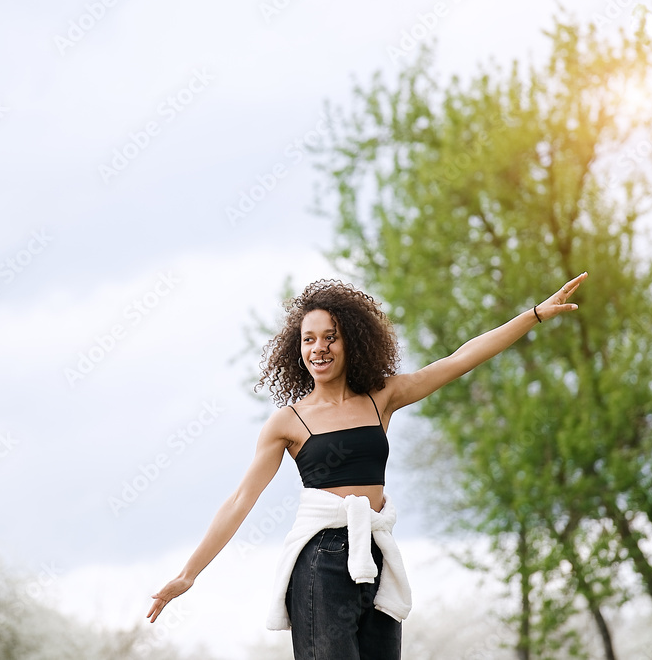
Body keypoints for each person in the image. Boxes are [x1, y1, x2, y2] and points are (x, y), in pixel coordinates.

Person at [146, 271, 588, 658]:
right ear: (296, 348)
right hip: (321, 562)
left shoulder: (381, 398)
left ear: (351, 340)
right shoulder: (287, 422)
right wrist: (187, 575)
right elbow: (241, 499)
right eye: (309, 339)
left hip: (375, 555)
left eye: (330, 336)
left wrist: (535, 315)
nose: (319, 348)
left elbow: (459, 360)